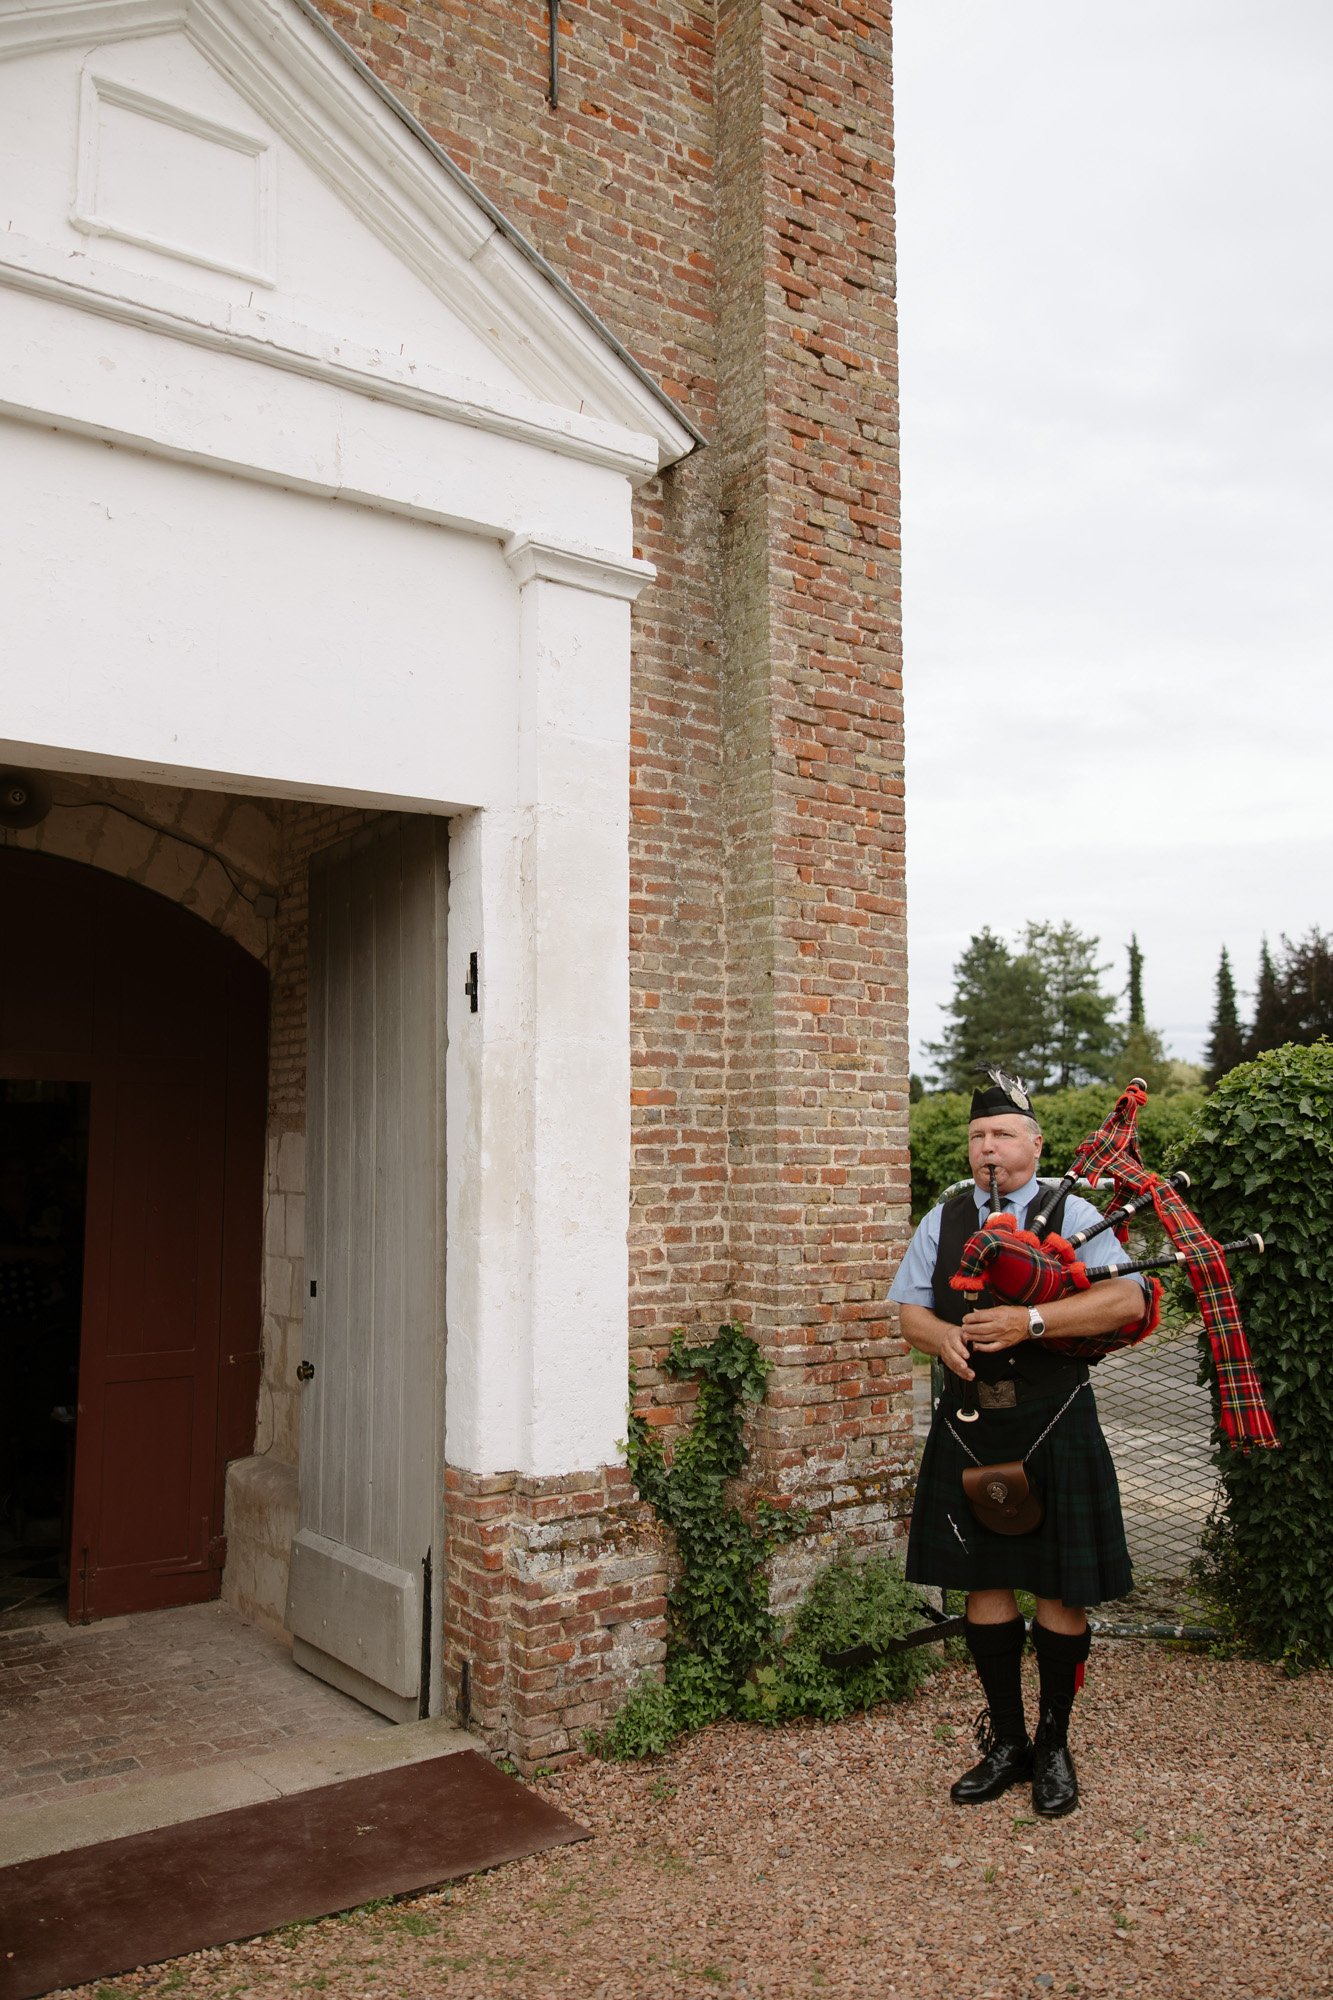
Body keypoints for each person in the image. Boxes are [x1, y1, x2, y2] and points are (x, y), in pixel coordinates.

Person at [889, 1071, 1146, 1817]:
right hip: (973, 1428)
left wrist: (1030, 1322)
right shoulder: (942, 1221)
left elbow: (1125, 1298)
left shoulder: (1075, 1214)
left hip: (1055, 1419)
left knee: (1062, 1590)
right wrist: (940, 1336)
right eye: (976, 1136)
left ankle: (1053, 1744)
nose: (987, 1147)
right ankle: (1005, 1742)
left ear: (1034, 1144)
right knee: (984, 1584)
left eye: (1002, 1134)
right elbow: (906, 1309)